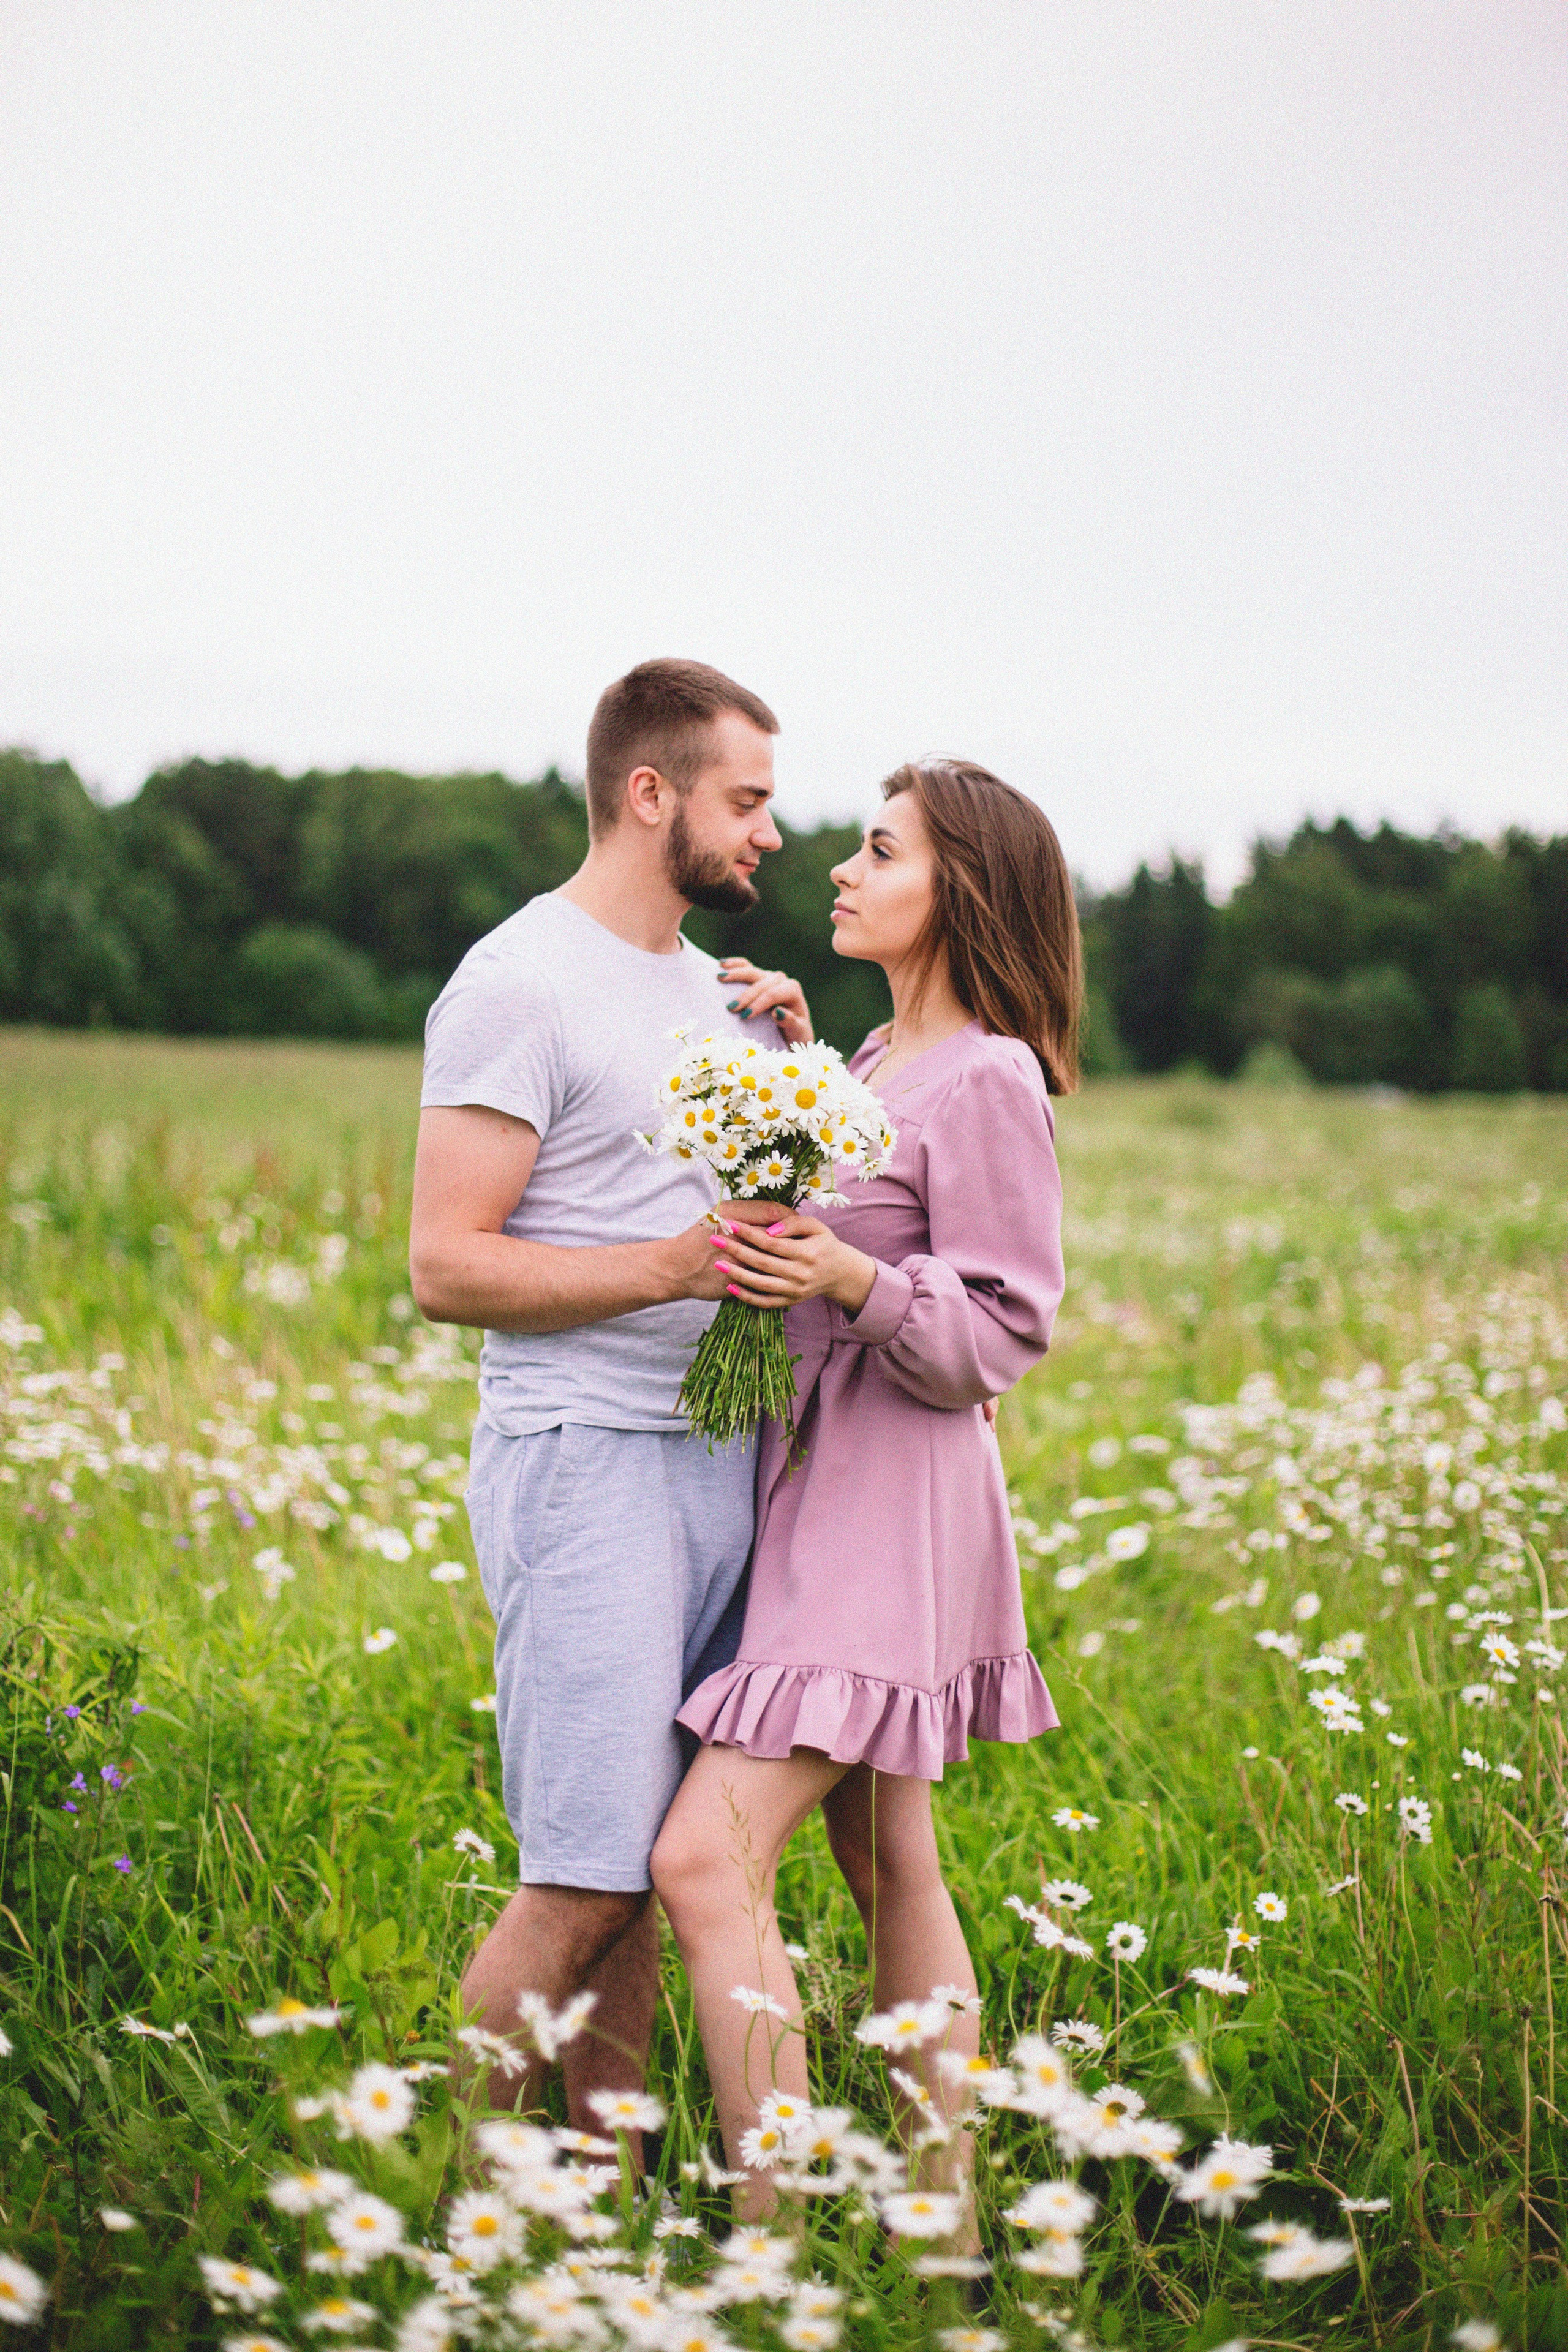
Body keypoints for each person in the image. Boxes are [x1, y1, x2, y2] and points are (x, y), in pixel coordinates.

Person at [653, 757, 1080, 2220]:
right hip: (831, 1494)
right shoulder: (884, 1063)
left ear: (954, 889)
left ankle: (774, 2239)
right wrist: (796, 1060)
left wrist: (850, 1276)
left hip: (886, 1512)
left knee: (701, 1861)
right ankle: (941, 2218)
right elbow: (861, 1185)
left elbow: (1005, 1329)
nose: (838, 866)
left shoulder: (988, 1074)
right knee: (886, 1850)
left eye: (876, 850)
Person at [409, 657, 813, 2147]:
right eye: (747, 800)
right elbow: (444, 1265)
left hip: (721, 1461)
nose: (772, 832)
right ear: (651, 795)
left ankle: (598, 2210)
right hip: (584, 1465)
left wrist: (800, 1063)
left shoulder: (716, 993)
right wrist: (662, 1266)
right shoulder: (517, 980)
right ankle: (453, 2214)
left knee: (649, 1860)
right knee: (579, 1872)